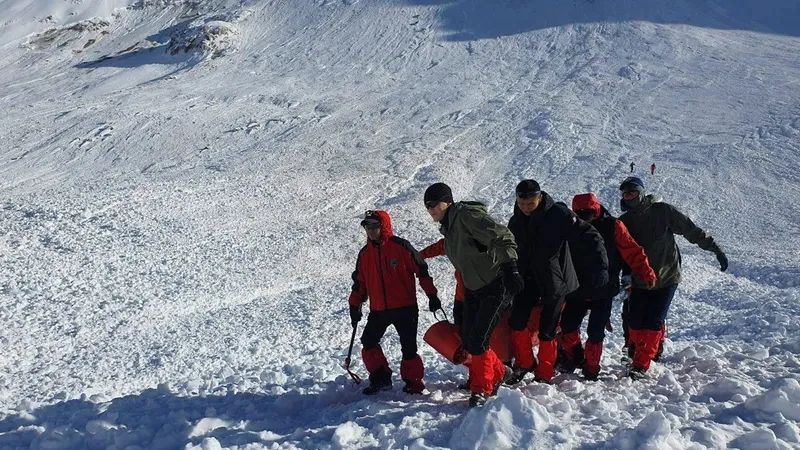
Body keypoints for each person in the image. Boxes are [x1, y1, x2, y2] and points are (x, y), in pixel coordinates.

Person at [618, 177, 728, 379]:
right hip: (640, 279)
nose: (630, 197)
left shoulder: (663, 211)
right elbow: (619, 251)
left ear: (642, 192)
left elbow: (690, 230)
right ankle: (644, 346)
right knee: (635, 320)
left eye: (633, 192)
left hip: (667, 276)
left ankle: (641, 364)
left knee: (653, 319)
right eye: (626, 194)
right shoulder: (624, 222)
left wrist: (715, 249)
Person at [423, 182, 521, 407]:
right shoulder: (450, 228)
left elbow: (501, 235)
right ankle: (501, 371)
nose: (431, 209)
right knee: (469, 340)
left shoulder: (466, 215)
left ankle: (482, 389)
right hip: (475, 290)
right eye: (427, 206)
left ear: (448, 201)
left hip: (496, 285)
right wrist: (417, 256)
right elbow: (444, 247)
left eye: (434, 204)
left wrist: (510, 267)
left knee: (478, 341)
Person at [506, 180, 609, 384]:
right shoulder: (516, 221)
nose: (526, 208)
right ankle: (525, 362)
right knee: (517, 320)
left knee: (548, 328)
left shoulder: (558, 215)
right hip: (528, 277)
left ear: (540, 198)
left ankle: (544, 373)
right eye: (522, 204)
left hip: (556, 279)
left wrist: (601, 266)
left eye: (530, 204)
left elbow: (589, 234)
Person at [559, 193, 657, 381]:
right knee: (567, 326)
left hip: (603, 289)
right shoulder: (570, 226)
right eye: (579, 213)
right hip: (576, 288)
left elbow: (632, 250)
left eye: (588, 212)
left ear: (596, 208)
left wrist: (646, 272)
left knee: (596, 331)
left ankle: (591, 368)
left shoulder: (613, 226)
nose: (584, 216)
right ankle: (577, 356)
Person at [348, 210, 442, 395]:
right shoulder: (365, 254)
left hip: (405, 308)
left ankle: (413, 382)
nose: (371, 230)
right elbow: (359, 282)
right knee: (368, 342)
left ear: (384, 226)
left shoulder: (401, 246)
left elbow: (421, 270)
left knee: (409, 348)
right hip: (379, 310)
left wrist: (432, 295)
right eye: (367, 226)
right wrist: (354, 305)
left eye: (375, 225)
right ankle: (381, 378)